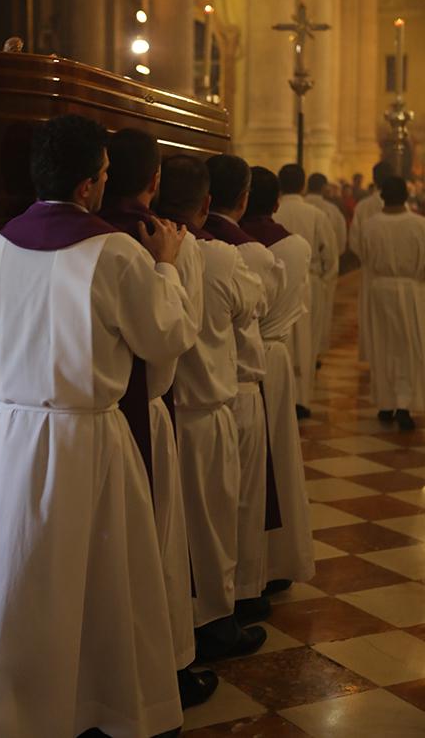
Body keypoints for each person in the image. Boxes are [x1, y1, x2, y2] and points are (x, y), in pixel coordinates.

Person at [0, 115, 200, 738]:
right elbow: (165, 333)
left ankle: (13, 712)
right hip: (88, 437)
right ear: (91, 185)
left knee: (21, 576)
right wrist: (166, 265)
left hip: (11, 437)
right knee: (105, 584)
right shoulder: (114, 251)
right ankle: (108, 705)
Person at [100, 128, 216, 708]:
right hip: (141, 411)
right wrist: (168, 266)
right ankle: (163, 669)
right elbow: (176, 334)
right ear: (154, 182)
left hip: (74, 421)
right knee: (156, 546)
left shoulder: (80, 237)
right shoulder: (164, 241)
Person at [157, 154, 268, 660]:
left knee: (169, 534)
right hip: (205, 410)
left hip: (159, 415)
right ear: (206, 204)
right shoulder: (221, 255)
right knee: (215, 525)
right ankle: (217, 622)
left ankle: (177, 625)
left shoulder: (142, 245)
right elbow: (254, 305)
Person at [205, 154, 285, 626]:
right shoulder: (244, 255)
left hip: (184, 396)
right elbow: (259, 305)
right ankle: (242, 594)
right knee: (239, 501)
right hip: (233, 390)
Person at [240, 167, 315, 592]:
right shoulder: (295, 247)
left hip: (242, 361)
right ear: (276, 203)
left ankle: (256, 564)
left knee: (250, 472)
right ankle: (276, 560)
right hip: (274, 356)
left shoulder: (229, 247)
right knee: (276, 461)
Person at [358, 176, 425, 431]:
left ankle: (385, 403)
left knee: (382, 344)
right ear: (406, 197)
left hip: (379, 288)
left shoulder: (370, 225)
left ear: (382, 196)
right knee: (409, 347)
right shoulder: (419, 225)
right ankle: (404, 405)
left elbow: (363, 255)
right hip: (411, 290)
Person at [273, 164, 337, 417]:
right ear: (303, 185)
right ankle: (302, 397)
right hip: (308, 281)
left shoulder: (273, 212)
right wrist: (324, 280)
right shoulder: (315, 214)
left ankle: (279, 394)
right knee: (306, 339)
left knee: (280, 338)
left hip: (275, 282)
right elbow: (330, 253)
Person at [349, 160, 395, 361]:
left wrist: (367, 259)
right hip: (398, 274)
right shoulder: (400, 205)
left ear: (374, 179)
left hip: (371, 270)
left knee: (372, 318)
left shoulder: (364, 206)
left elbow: (354, 240)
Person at [305, 172, 347, 355]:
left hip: (286, 277)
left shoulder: (282, 208)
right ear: (323, 188)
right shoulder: (329, 211)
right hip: (316, 275)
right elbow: (339, 242)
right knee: (316, 323)